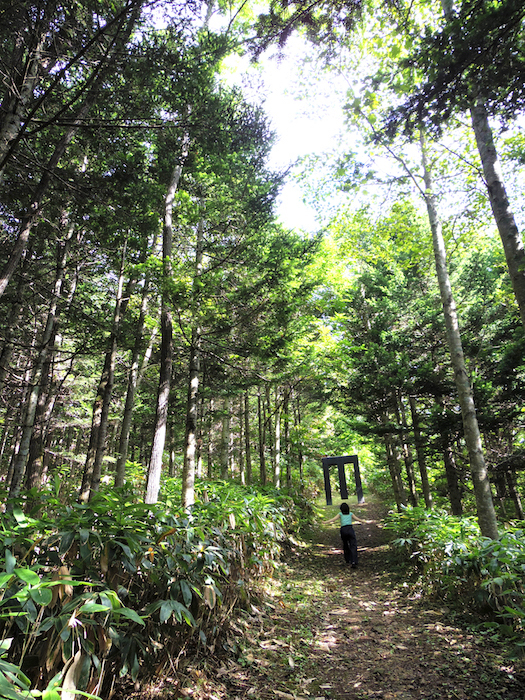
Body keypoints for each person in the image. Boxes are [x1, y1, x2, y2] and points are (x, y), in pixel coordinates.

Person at [324, 502, 362, 568]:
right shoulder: (350, 514)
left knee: (345, 544)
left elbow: (333, 519)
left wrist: (325, 522)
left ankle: (347, 559)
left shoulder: (340, 514)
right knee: (353, 545)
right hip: (350, 529)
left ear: (341, 509)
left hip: (343, 530)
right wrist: (365, 521)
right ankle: (354, 561)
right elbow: (357, 519)